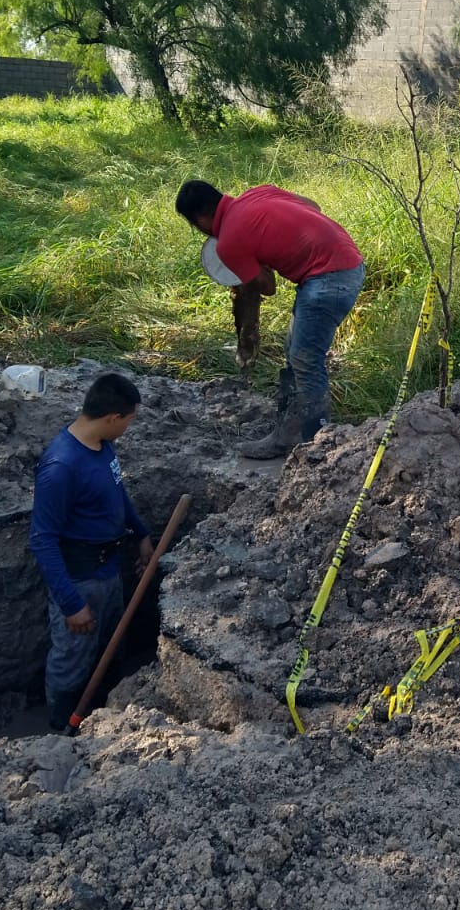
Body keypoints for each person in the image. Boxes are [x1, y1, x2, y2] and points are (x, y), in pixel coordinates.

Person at [176, 178, 365, 458]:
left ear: (201, 218)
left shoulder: (228, 242)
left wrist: (257, 262)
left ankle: (318, 448)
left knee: (305, 360)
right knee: (294, 352)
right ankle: (287, 435)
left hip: (328, 279)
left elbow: (267, 287)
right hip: (347, 261)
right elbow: (314, 206)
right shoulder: (258, 193)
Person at [29, 372, 153, 731]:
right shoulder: (61, 467)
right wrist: (71, 603)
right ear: (113, 417)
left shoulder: (102, 446)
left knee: (111, 648)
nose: (128, 428)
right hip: (79, 579)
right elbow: (43, 539)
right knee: (72, 660)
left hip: (109, 570)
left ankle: (105, 720)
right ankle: (60, 729)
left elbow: (117, 494)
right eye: (129, 421)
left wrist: (141, 534)